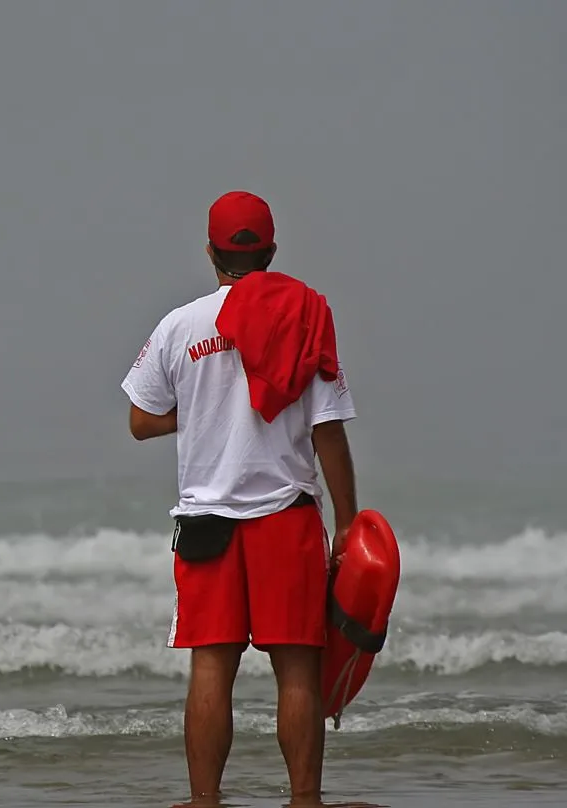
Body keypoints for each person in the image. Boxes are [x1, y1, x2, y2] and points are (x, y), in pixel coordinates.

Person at [120, 190, 358, 803]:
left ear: (210, 252)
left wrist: (200, 412)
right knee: (298, 668)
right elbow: (327, 431)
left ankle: (205, 802)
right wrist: (349, 522)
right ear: (271, 252)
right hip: (286, 518)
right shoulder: (307, 316)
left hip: (206, 523)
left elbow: (141, 420)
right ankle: (305, 801)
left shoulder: (180, 325)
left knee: (210, 668)